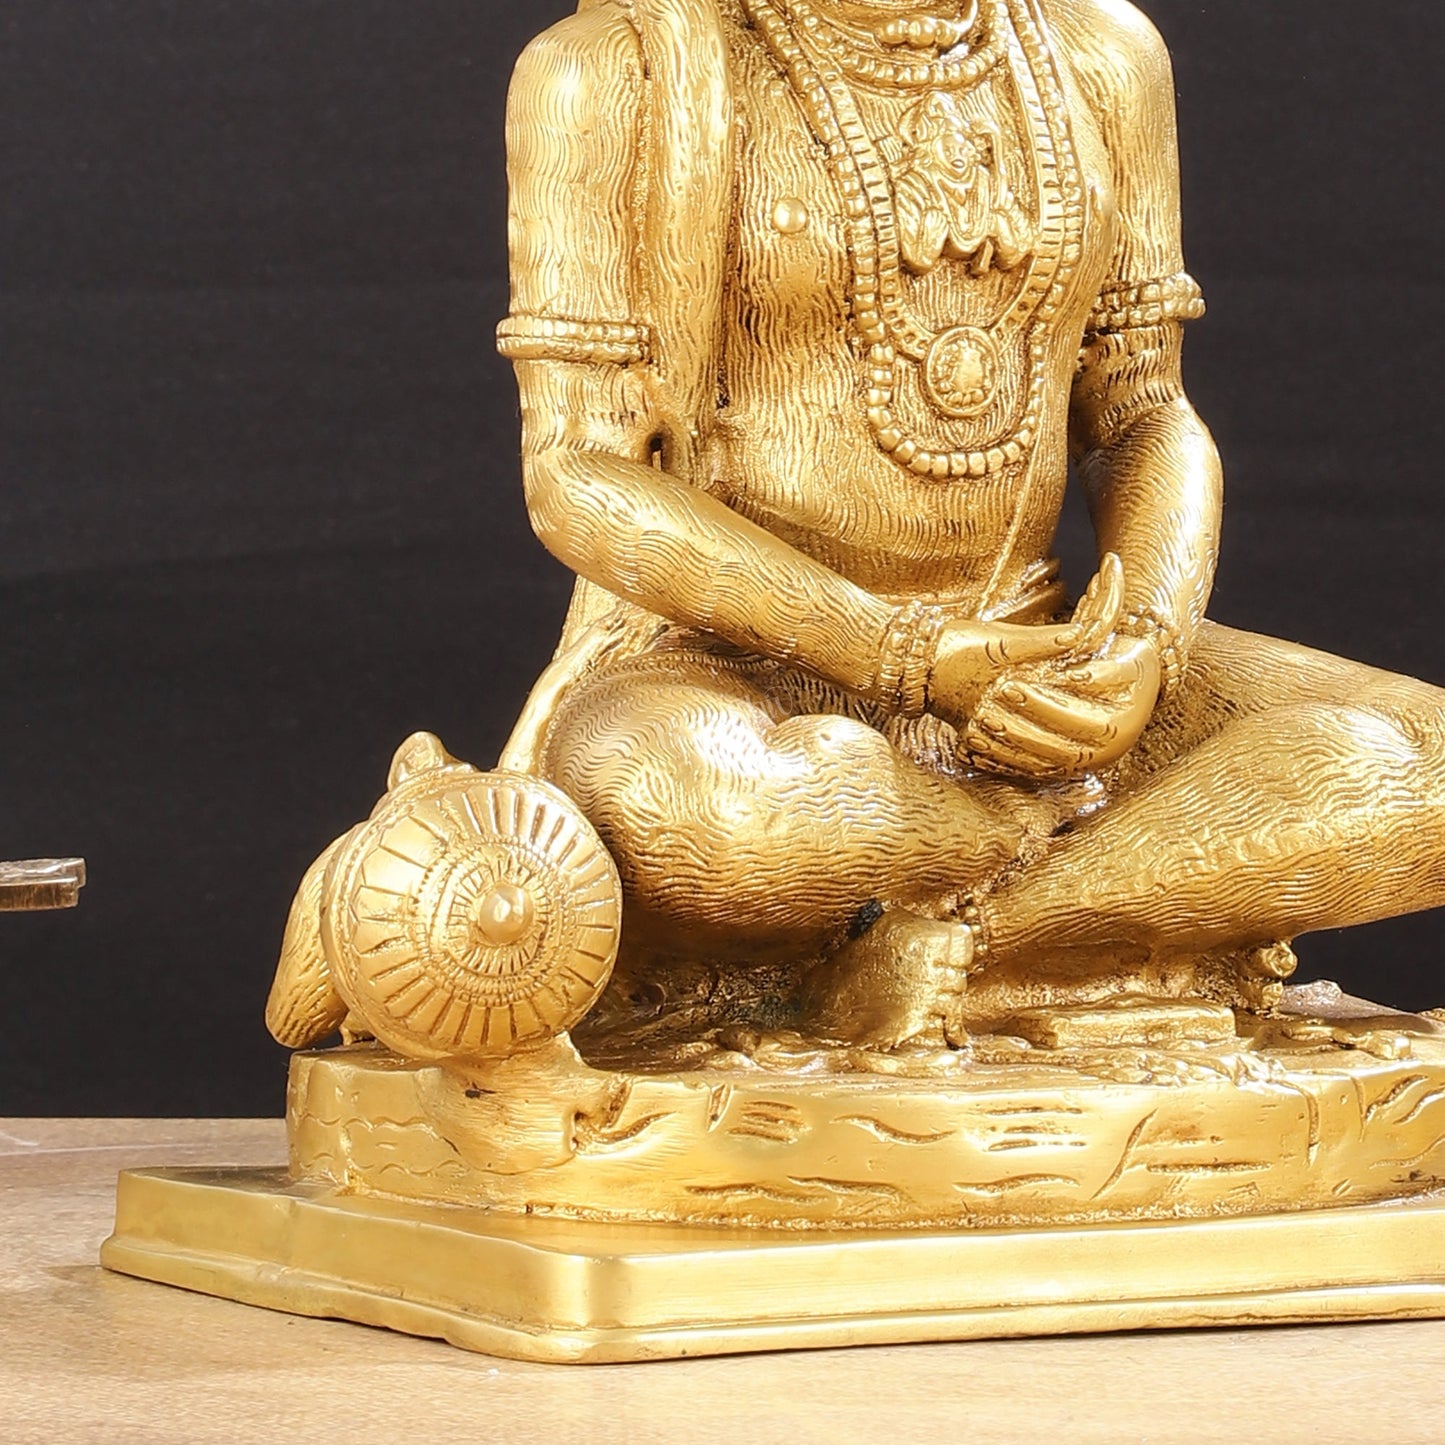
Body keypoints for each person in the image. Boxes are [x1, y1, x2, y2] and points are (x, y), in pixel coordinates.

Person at [496, 0, 1445, 1048]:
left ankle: (971, 947)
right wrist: (907, 657)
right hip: (725, 674)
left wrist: (1144, 637)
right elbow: (577, 470)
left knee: (1435, 763)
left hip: (1037, 654)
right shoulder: (612, 72)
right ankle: (1136, 869)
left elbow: (1142, 407)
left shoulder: (1096, 53)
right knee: (695, 817)